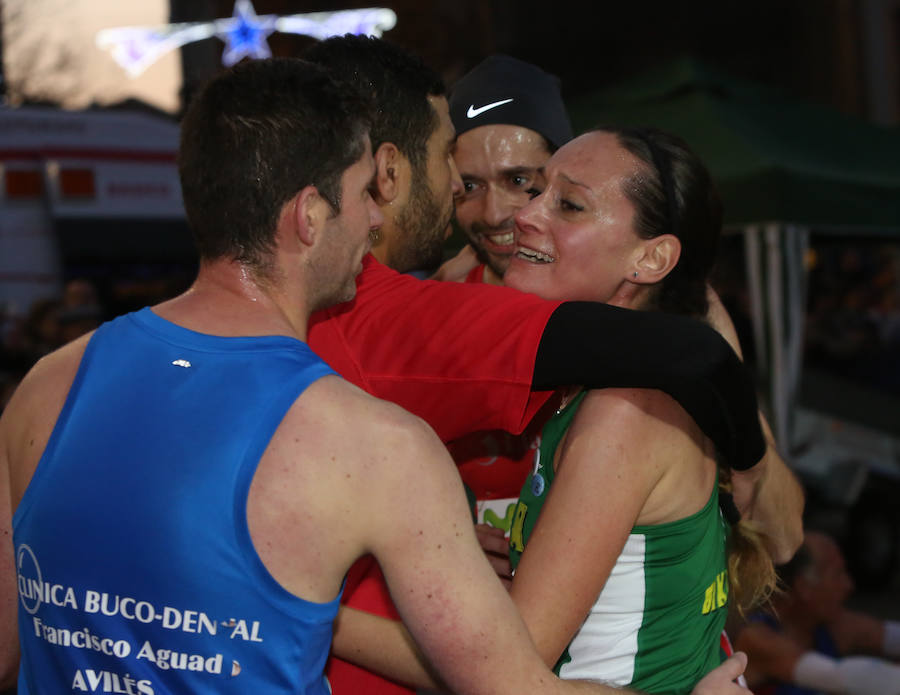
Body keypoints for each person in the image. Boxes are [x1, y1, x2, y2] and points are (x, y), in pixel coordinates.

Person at [0, 57, 751, 695]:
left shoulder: (45, 385)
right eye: (366, 193)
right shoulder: (378, 446)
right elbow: (514, 683)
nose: (374, 221)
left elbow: (7, 649)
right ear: (308, 216)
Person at [300, 35, 768, 695]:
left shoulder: (624, 411)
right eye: (535, 190)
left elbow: (504, 667)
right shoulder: (598, 387)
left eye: (559, 200)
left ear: (651, 258)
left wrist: (300, 609)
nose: (519, 215)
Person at [436, 54, 573, 286]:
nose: (493, 215)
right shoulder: (443, 304)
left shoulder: (619, 296)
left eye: (518, 181)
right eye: (469, 186)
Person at [734, 530, 900, 695]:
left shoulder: (834, 626)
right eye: (837, 574)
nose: (848, 585)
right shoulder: (757, 638)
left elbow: (892, 636)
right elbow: (840, 677)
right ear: (804, 587)